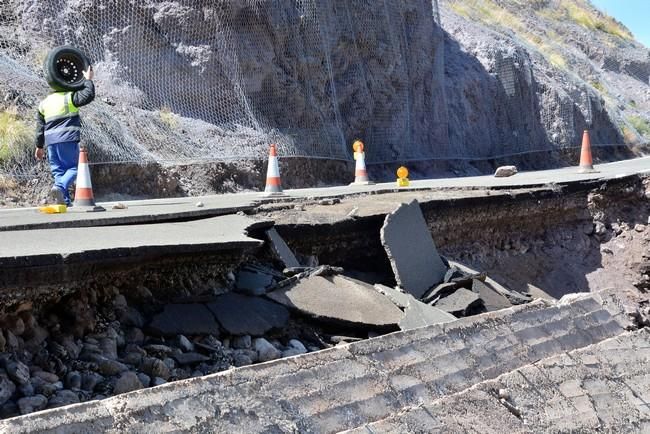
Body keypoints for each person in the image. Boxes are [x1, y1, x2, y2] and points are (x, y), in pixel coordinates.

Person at [34, 66, 95, 205]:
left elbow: (39, 127)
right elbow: (88, 95)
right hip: (67, 139)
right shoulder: (69, 97)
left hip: (50, 143)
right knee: (76, 168)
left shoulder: (43, 103)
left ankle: (64, 201)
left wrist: (39, 146)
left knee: (59, 173)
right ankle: (59, 187)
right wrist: (88, 80)